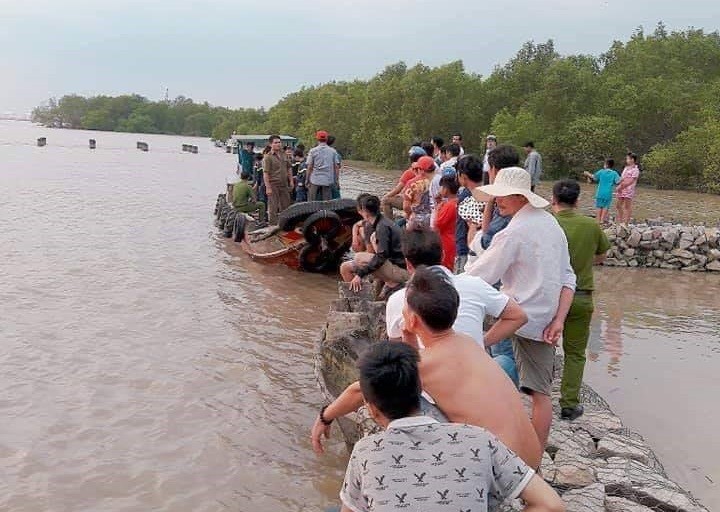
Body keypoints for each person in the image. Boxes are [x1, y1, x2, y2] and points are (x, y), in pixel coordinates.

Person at [312, 266, 544, 470]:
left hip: (504, 471)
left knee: (397, 397)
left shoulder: (425, 365)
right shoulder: (468, 343)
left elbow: (358, 390)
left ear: (411, 321)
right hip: (530, 463)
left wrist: (325, 417)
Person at [338, 341, 565, 512]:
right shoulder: (478, 439)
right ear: (419, 389)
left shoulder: (366, 451)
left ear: (371, 408)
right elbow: (552, 505)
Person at [466, 167, 576, 450]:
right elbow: (568, 278)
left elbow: (479, 276)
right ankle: (531, 454)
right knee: (539, 393)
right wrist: (559, 320)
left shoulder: (514, 232)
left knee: (487, 365)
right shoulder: (552, 224)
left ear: (519, 197)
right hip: (545, 320)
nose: (497, 201)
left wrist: (441, 283)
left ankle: (511, 447)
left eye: (502, 197)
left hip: (517, 317)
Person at [385, 227, 526, 384]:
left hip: (431, 384)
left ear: (408, 264)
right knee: (504, 362)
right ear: (443, 254)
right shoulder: (473, 284)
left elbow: (398, 351)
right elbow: (518, 316)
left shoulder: (399, 299)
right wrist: (482, 341)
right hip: (475, 379)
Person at [552, 180, 610, 421]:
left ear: (553, 199)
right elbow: (602, 255)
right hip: (581, 296)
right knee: (575, 353)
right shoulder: (590, 225)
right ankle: (569, 403)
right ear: (577, 201)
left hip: (550, 298)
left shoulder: (547, 223)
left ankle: (538, 397)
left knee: (543, 347)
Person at [340, 194, 408, 298]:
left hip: (400, 271)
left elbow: (382, 256)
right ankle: (357, 297)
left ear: (364, 212)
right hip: (394, 264)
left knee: (359, 257)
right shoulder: (379, 222)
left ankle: (391, 282)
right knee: (345, 267)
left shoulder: (382, 227)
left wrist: (360, 274)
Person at [479, 145, 520, 250]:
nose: (488, 172)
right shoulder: (518, 197)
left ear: (495, 171)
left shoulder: (505, 207)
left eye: (489, 168)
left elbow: (486, 241)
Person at [455, 155, 484, 273]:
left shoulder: (467, 196)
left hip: (467, 249)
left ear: (463, 176)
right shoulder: (488, 192)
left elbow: (473, 227)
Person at [380, 147, 427, 218]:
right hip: (422, 203)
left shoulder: (409, 172)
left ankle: (389, 224)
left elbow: (397, 189)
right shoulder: (426, 171)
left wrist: (385, 197)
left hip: (411, 203)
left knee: (385, 201)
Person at [263, 135, 293, 225]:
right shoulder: (268, 157)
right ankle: (272, 224)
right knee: (273, 206)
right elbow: (265, 173)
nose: (278, 144)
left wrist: (291, 181)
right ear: (270, 144)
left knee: (286, 205)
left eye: (279, 142)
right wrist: (268, 187)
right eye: (275, 143)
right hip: (273, 184)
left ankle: (285, 224)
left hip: (284, 184)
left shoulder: (284, 154)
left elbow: (289, 168)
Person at [583, 158, 621, 224]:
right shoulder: (614, 173)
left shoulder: (601, 171)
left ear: (606, 165)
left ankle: (598, 219)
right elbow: (618, 181)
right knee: (605, 206)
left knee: (599, 206)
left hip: (600, 192)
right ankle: (602, 220)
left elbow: (594, 177)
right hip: (608, 193)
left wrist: (587, 174)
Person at [434, 175, 459, 271]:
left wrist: (438, 209)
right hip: (454, 240)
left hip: (448, 242)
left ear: (446, 189)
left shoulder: (449, 206)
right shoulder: (457, 202)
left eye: (441, 187)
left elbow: (437, 225)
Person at [403, 156, 435, 229]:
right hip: (434, 218)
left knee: (404, 217)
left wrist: (409, 214)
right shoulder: (439, 181)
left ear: (420, 169)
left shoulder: (411, 183)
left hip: (416, 219)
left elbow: (406, 207)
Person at [306, 130, 340, 201]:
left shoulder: (313, 151)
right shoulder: (333, 151)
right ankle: (326, 211)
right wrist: (336, 181)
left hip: (315, 180)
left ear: (317, 139)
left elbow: (309, 167)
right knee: (327, 202)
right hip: (327, 180)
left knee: (311, 202)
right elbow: (336, 167)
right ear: (326, 139)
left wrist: (307, 179)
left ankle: (312, 211)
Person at [615, 152, 641, 224]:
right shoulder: (626, 168)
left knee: (627, 206)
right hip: (621, 188)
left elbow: (631, 181)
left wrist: (621, 187)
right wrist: (618, 184)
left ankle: (626, 223)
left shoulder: (636, 170)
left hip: (629, 190)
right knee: (618, 205)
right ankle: (620, 221)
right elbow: (622, 178)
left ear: (632, 160)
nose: (626, 160)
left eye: (628, 159)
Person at [327, 135, 342, 199]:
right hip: (333, 179)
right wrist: (337, 181)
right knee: (336, 199)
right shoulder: (336, 154)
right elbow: (337, 168)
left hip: (321, 180)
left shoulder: (316, 151)